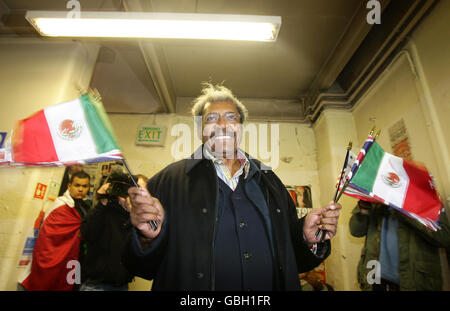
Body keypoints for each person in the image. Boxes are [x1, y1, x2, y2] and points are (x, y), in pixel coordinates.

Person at [122, 83, 341, 291]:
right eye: (211, 118)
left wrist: (305, 237)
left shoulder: (270, 180)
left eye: (230, 117)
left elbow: (291, 258)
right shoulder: (168, 181)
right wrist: (146, 237)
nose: (223, 125)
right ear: (200, 129)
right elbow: (138, 265)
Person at [350, 199, 450, 290]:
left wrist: (408, 212)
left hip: (413, 283)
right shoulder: (376, 193)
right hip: (375, 280)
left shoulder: (424, 193)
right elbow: (356, 231)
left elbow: (444, 237)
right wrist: (364, 207)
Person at [19, 171, 91, 291]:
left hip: (76, 260)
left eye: (84, 186)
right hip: (56, 257)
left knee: (73, 285)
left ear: (88, 188)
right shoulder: (60, 205)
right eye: (77, 185)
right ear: (69, 186)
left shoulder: (86, 207)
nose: (80, 189)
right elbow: (48, 237)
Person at [79, 167, 148, 291]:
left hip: (122, 286)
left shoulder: (138, 219)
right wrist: (103, 201)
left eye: (143, 192)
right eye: (135, 189)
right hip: (96, 285)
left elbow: (143, 253)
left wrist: (132, 215)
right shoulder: (105, 210)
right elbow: (87, 234)